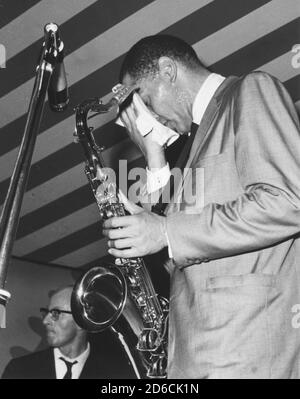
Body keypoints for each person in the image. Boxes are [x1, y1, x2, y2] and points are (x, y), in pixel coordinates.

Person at [102, 35, 300, 378]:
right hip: (198, 354)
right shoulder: (195, 142)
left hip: (246, 345)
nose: (143, 118)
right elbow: (183, 246)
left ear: (168, 71)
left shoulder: (250, 90)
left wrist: (164, 230)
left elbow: (288, 201)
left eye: (144, 101)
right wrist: (153, 156)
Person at [2, 285, 136, 379]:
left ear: (80, 320)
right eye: (47, 313)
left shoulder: (117, 373)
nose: (45, 321)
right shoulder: (19, 369)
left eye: (56, 313)